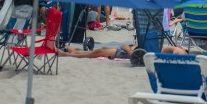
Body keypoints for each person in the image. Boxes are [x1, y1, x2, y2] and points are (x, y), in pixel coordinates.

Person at [58, 43, 187, 60]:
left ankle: (70, 54)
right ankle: (74, 52)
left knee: (98, 52)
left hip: (126, 53)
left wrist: (128, 49)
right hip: (128, 50)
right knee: (100, 50)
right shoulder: (166, 48)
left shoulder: (164, 50)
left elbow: (139, 58)